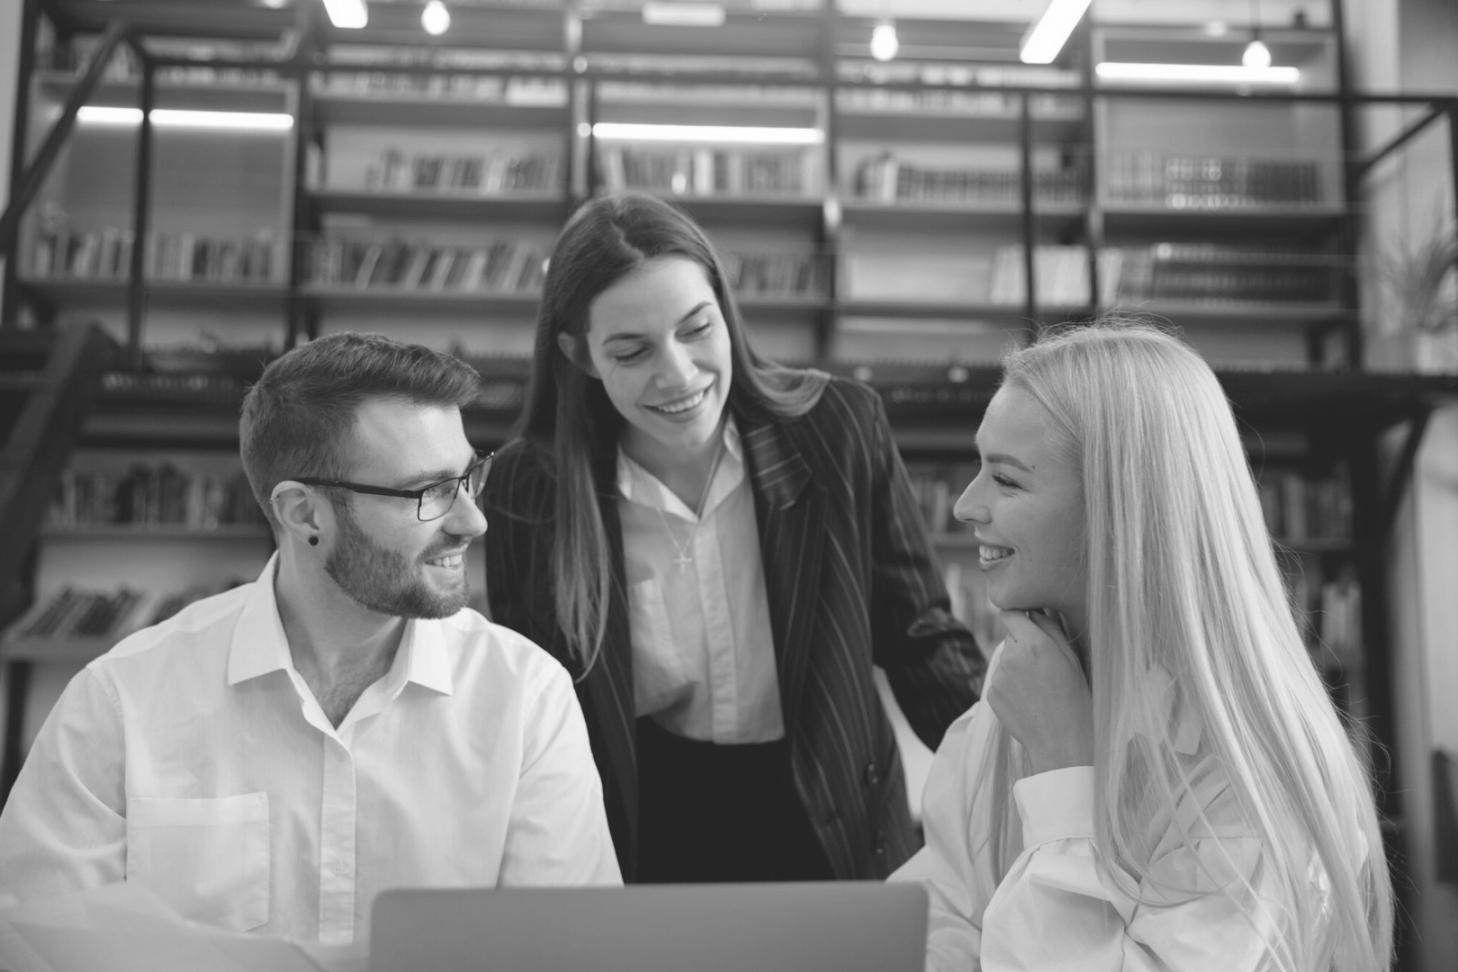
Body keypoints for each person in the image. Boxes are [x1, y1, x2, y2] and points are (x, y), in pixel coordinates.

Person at [0, 333, 620, 943]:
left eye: (468, 478)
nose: (472, 520)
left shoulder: (527, 699)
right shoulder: (119, 703)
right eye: (428, 492)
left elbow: (572, 954)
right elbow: (37, 949)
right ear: (302, 513)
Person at [481, 191, 985, 883]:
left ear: (725, 305)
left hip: (832, 811)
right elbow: (530, 701)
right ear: (581, 354)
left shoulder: (837, 429)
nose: (679, 374)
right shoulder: (530, 489)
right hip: (643, 824)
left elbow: (920, 637)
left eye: (696, 329)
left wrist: (1028, 769)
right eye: (632, 351)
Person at [891, 321, 1393, 972]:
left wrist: (1063, 771)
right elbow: (948, 921)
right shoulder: (1017, 692)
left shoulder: (1250, 773)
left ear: (1120, 509)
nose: (964, 506)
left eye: (1007, 481)